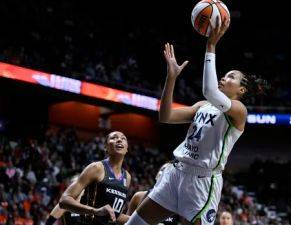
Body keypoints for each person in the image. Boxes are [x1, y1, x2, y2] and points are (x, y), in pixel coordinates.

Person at [125, 17, 268, 225]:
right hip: (176, 172)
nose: (223, 78)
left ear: (241, 90)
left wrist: (211, 45)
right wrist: (171, 77)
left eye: (230, 77)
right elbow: (165, 116)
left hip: (202, 182)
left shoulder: (238, 111)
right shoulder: (202, 105)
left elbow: (209, 89)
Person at [59, 131, 132, 225]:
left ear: (127, 149)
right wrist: (95, 211)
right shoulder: (96, 168)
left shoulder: (127, 177)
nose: (119, 140)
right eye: (114, 138)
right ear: (105, 147)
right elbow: (64, 201)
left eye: (123, 138)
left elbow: (116, 216)